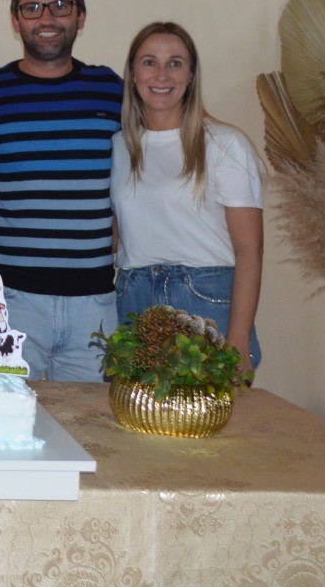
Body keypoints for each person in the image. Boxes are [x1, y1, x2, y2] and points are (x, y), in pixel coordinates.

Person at [0, 0, 123, 380]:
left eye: (60, 6)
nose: (47, 18)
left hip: (95, 303)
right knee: (2, 429)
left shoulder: (112, 90)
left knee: (91, 434)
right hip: (7, 300)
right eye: (32, 8)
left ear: (80, 17)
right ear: (16, 21)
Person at [109, 21, 263, 373]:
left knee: (209, 424)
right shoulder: (119, 147)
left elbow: (249, 250)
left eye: (175, 63)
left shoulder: (226, 144)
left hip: (205, 302)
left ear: (191, 75)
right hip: (135, 300)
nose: (162, 74)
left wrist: (238, 340)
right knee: (138, 422)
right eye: (149, 62)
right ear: (133, 73)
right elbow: (118, 237)